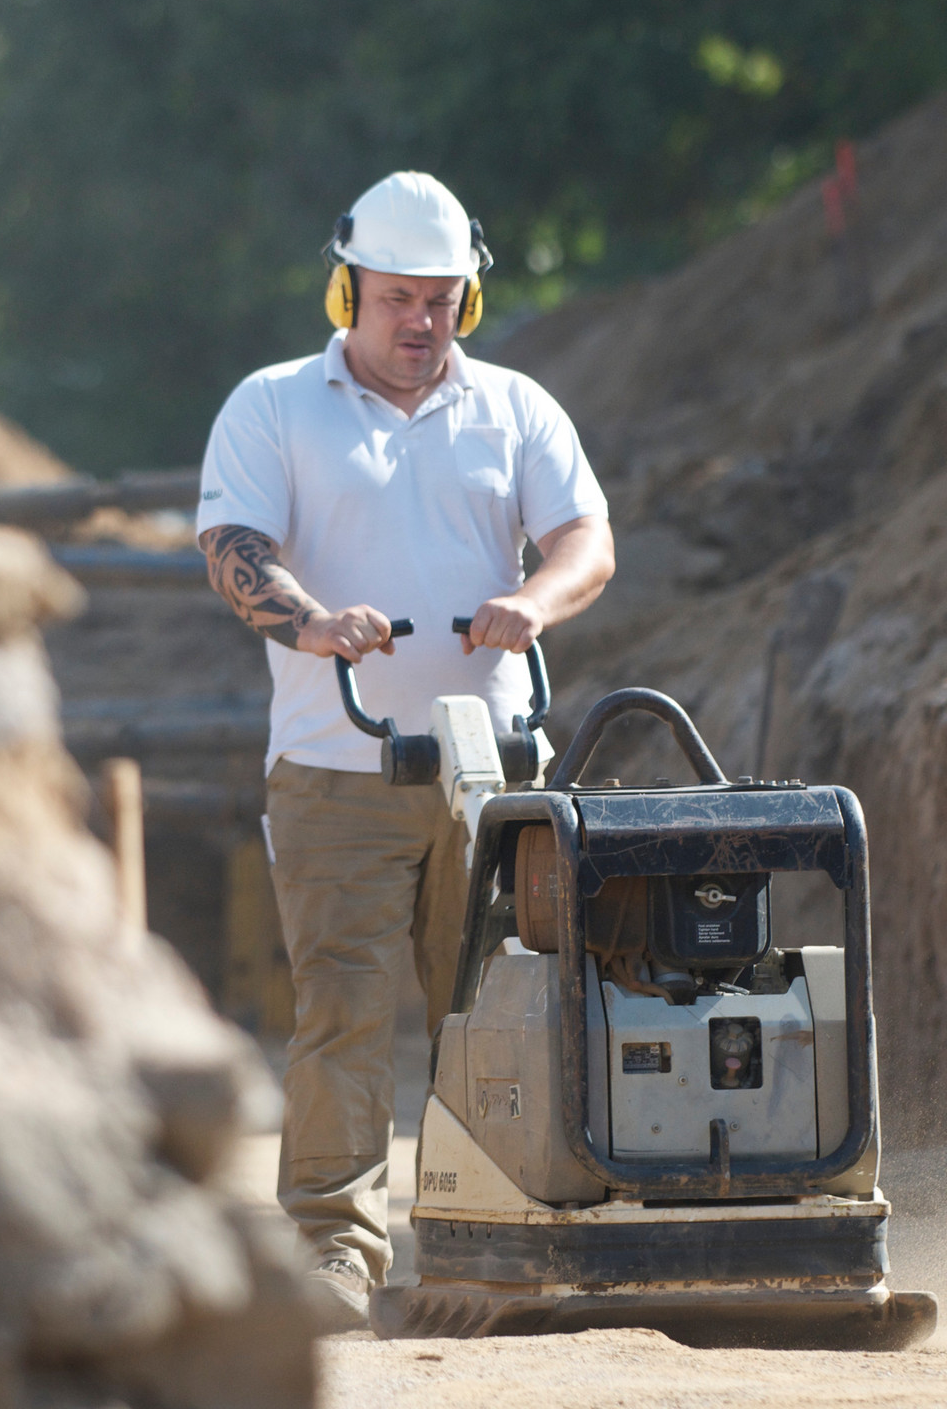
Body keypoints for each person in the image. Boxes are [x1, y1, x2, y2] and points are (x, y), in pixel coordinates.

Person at [196, 171, 614, 1328]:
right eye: (396, 298)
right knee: (341, 1009)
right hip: (337, 769)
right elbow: (232, 543)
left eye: (441, 299)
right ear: (347, 291)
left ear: (467, 299)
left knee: (496, 1014)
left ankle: (491, 1243)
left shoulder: (515, 408)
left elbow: (585, 537)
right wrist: (312, 621)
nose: (420, 321)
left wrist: (534, 600)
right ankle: (335, 1253)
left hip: (494, 777)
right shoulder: (274, 406)